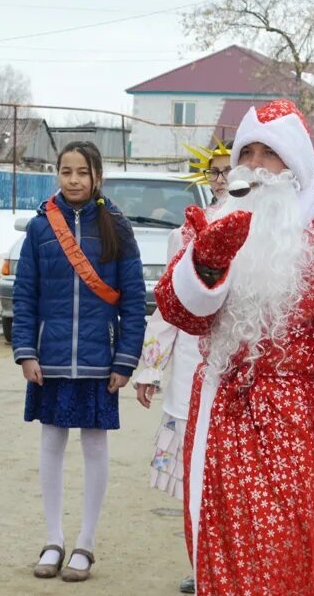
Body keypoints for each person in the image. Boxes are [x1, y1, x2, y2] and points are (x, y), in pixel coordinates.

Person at [155, 99, 314, 596]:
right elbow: (177, 311)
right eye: (247, 152)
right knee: (217, 558)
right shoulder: (215, 222)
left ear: (297, 166)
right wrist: (208, 262)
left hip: (291, 427)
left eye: (271, 154)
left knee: (284, 561)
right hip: (216, 419)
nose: (255, 166)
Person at [12, 140, 146, 582]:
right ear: (57, 175)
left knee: (94, 444)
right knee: (51, 441)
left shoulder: (117, 227)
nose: (73, 180)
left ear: (97, 177)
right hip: (49, 360)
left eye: (82, 172)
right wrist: (27, 350)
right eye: (66, 171)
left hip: (98, 358)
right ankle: (53, 539)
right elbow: (25, 294)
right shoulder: (39, 228)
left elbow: (133, 298)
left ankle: (85, 543)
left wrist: (125, 359)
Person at [134, 139, 230, 594]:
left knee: (231, 481)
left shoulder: (264, 231)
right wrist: (151, 367)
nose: (223, 178)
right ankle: (202, 567)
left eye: (231, 168)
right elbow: (167, 309)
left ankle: (231, 567)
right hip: (190, 371)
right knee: (193, 480)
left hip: (238, 377)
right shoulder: (184, 235)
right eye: (215, 170)